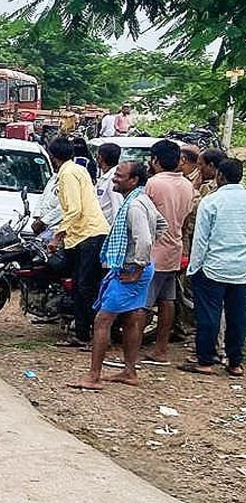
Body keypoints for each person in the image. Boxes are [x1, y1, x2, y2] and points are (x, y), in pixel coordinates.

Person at [68, 161, 162, 389]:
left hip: (131, 271)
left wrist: (138, 265)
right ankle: (129, 372)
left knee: (102, 320)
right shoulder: (141, 200)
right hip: (135, 268)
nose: (114, 179)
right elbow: (161, 225)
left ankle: (94, 376)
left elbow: (147, 239)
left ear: (134, 180)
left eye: (119, 176)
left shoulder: (135, 206)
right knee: (132, 319)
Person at [181, 158, 246, 378]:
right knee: (238, 317)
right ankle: (235, 362)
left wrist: (194, 267)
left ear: (220, 176)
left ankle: (205, 361)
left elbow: (201, 239)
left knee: (209, 316)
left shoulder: (212, 201)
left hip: (212, 268)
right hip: (241, 270)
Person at [46, 137, 111, 348]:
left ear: (52, 157)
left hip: (87, 235)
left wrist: (57, 236)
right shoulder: (78, 168)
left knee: (84, 287)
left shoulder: (67, 174)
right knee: (80, 285)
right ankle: (81, 332)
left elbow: (74, 209)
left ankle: (88, 335)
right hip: (85, 234)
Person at [143, 138, 195, 364]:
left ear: (155, 160)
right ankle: (161, 348)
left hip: (154, 250)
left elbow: (145, 218)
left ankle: (132, 349)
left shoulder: (154, 183)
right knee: (167, 300)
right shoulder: (187, 185)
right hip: (175, 248)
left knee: (142, 303)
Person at [184, 149, 226, 258]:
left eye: (200, 164)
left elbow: (195, 210)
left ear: (211, 166)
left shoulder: (211, 188)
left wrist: (194, 189)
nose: (198, 168)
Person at [94, 142, 123, 224]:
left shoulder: (113, 179)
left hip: (107, 228)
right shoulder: (104, 176)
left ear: (100, 158)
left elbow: (117, 206)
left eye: (96, 155)